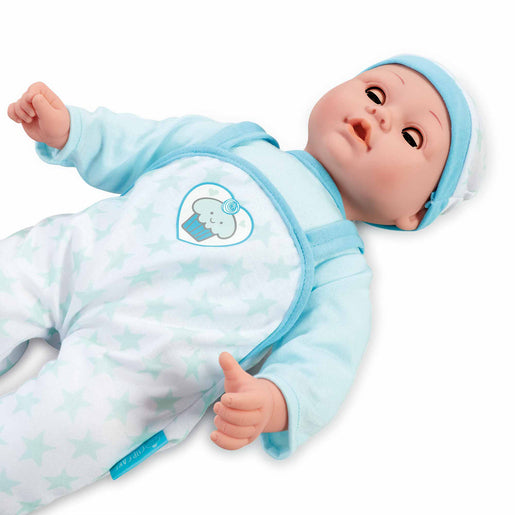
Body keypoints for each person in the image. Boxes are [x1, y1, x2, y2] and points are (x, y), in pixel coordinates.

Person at [0, 54, 483, 513]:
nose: (380, 115)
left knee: (58, 431)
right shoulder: (236, 140)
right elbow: (143, 141)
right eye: (375, 92)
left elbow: (325, 363)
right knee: (13, 274)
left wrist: (273, 401)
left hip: (142, 369)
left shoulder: (340, 270)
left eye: (413, 137)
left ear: (414, 213)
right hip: (71, 257)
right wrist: (73, 131)